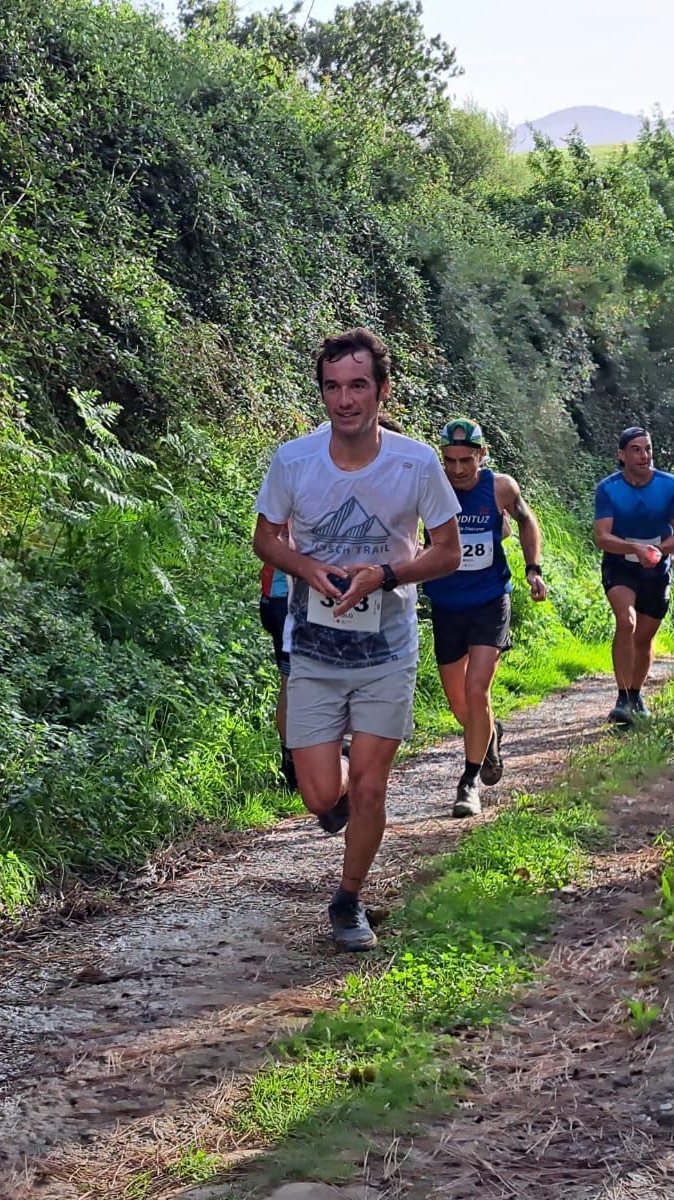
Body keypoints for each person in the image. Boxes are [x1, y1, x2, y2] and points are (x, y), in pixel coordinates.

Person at [253, 328, 462, 952]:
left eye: (358, 385)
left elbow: (447, 552)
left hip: (388, 650)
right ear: (321, 391)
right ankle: (341, 805)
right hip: (313, 647)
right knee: (322, 795)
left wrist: (388, 573)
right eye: (333, 387)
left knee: (371, 786)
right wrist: (306, 568)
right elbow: (266, 538)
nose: (345, 400)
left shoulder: (417, 462)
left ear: (382, 390)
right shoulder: (294, 460)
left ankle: (349, 899)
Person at [422, 418, 549, 818]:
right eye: (449, 460)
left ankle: (468, 782)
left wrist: (533, 568)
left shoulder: (500, 487)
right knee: (461, 704)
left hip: (490, 600)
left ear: (482, 454)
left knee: (477, 691)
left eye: (465, 460)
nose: (457, 469)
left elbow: (526, 520)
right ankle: (489, 735)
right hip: (445, 603)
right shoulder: (429, 487)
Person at [593, 426, 674, 726]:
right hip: (620, 564)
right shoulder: (608, 489)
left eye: (647, 448)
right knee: (626, 621)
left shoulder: (670, 485)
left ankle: (636, 695)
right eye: (636, 449)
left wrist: (659, 551)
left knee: (644, 637)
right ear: (622, 455)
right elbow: (602, 537)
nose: (644, 455)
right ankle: (622, 698)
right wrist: (633, 547)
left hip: (657, 566)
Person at [258, 557, 299, 791]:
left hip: (276, 601)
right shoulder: (292, 519)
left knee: (290, 682)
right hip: (286, 602)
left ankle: (292, 764)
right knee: (294, 684)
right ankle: (293, 770)